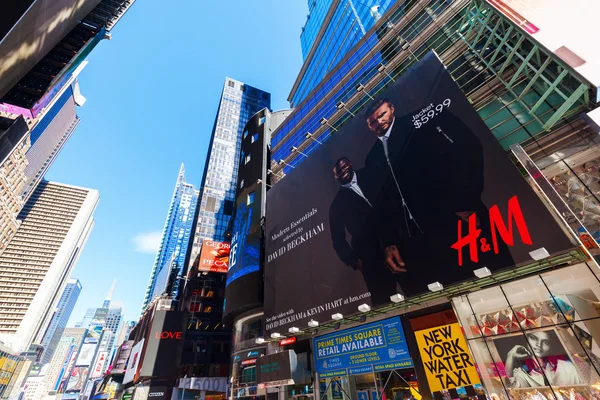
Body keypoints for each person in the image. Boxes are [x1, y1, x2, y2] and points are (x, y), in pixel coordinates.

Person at [362, 97, 513, 296]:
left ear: (392, 108)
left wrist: (466, 200)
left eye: (382, 115)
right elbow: (379, 204)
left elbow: (468, 147)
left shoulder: (422, 120)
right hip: (416, 242)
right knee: (447, 296)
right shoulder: (372, 158)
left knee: (497, 282)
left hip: (457, 219)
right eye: (372, 121)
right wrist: (389, 242)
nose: (379, 122)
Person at [329, 157, 400, 305]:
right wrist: (356, 262)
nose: (343, 172)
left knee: (419, 286)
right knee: (383, 300)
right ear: (336, 177)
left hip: (397, 237)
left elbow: (391, 194)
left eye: (344, 167)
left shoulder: (369, 174)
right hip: (370, 255)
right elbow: (338, 240)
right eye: (338, 172)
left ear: (350, 164)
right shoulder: (336, 205)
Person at [504, 330, 582, 387]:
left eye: (545, 342)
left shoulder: (568, 368)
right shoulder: (521, 373)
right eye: (534, 338)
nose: (539, 345)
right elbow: (512, 390)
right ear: (526, 340)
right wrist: (510, 356)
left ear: (551, 346)